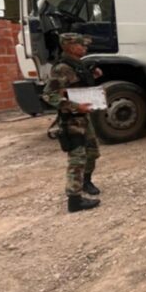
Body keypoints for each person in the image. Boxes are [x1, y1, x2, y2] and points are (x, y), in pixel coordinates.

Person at [42, 33, 104, 213]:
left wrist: (94, 76)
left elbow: (78, 86)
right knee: (77, 158)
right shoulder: (61, 68)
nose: (85, 48)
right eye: (81, 45)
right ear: (69, 47)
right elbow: (49, 95)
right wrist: (76, 107)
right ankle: (74, 200)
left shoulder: (79, 65)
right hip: (72, 120)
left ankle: (86, 182)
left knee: (92, 152)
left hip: (84, 118)